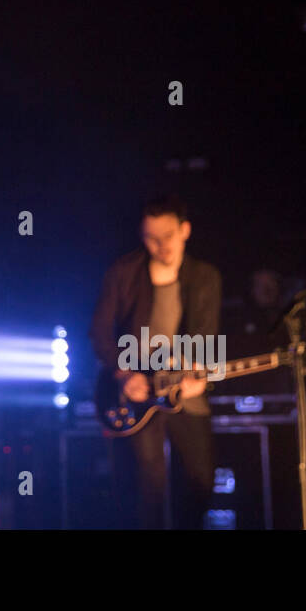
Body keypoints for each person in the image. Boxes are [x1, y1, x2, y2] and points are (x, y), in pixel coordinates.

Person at [88, 195, 221, 529]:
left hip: (185, 396)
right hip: (138, 395)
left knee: (200, 483)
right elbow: (99, 334)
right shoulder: (123, 274)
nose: (161, 246)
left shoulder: (205, 277)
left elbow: (206, 338)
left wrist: (199, 376)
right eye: (152, 238)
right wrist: (123, 375)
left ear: (185, 231)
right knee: (147, 486)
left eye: (168, 236)